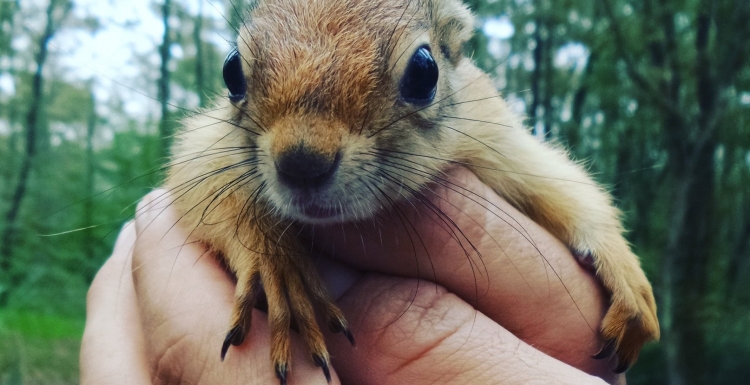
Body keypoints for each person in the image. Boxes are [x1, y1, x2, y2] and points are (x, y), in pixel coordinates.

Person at [80, 168, 624, 384]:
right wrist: (254, 239)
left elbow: (546, 179)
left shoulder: (477, 117)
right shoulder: (232, 149)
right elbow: (194, 181)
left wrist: (610, 253)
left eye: (417, 78)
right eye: (239, 80)